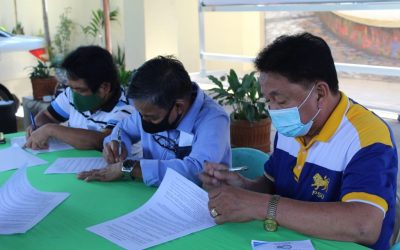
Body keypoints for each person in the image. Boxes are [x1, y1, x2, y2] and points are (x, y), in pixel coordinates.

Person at [200, 33, 398, 250]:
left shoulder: (367, 137)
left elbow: (364, 226)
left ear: (320, 93)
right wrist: (243, 187)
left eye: (280, 100)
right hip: (287, 240)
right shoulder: (294, 125)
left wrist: (260, 205)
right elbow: (272, 184)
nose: (273, 110)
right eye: (268, 100)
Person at [77, 56, 231, 186]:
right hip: (153, 193)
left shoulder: (213, 120)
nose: (143, 120)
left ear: (178, 106)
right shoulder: (151, 108)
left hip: (199, 201)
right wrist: (116, 144)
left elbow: (197, 170)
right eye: (140, 114)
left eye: (151, 117)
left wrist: (131, 167)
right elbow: (122, 129)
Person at [25, 46, 135, 151]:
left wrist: (50, 129)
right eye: (72, 88)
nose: (74, 94)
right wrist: (38, 127)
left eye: (81, 90)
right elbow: (47, 115)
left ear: (104, 88)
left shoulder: (126, 108)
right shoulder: (72, 92)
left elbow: (103, 140)